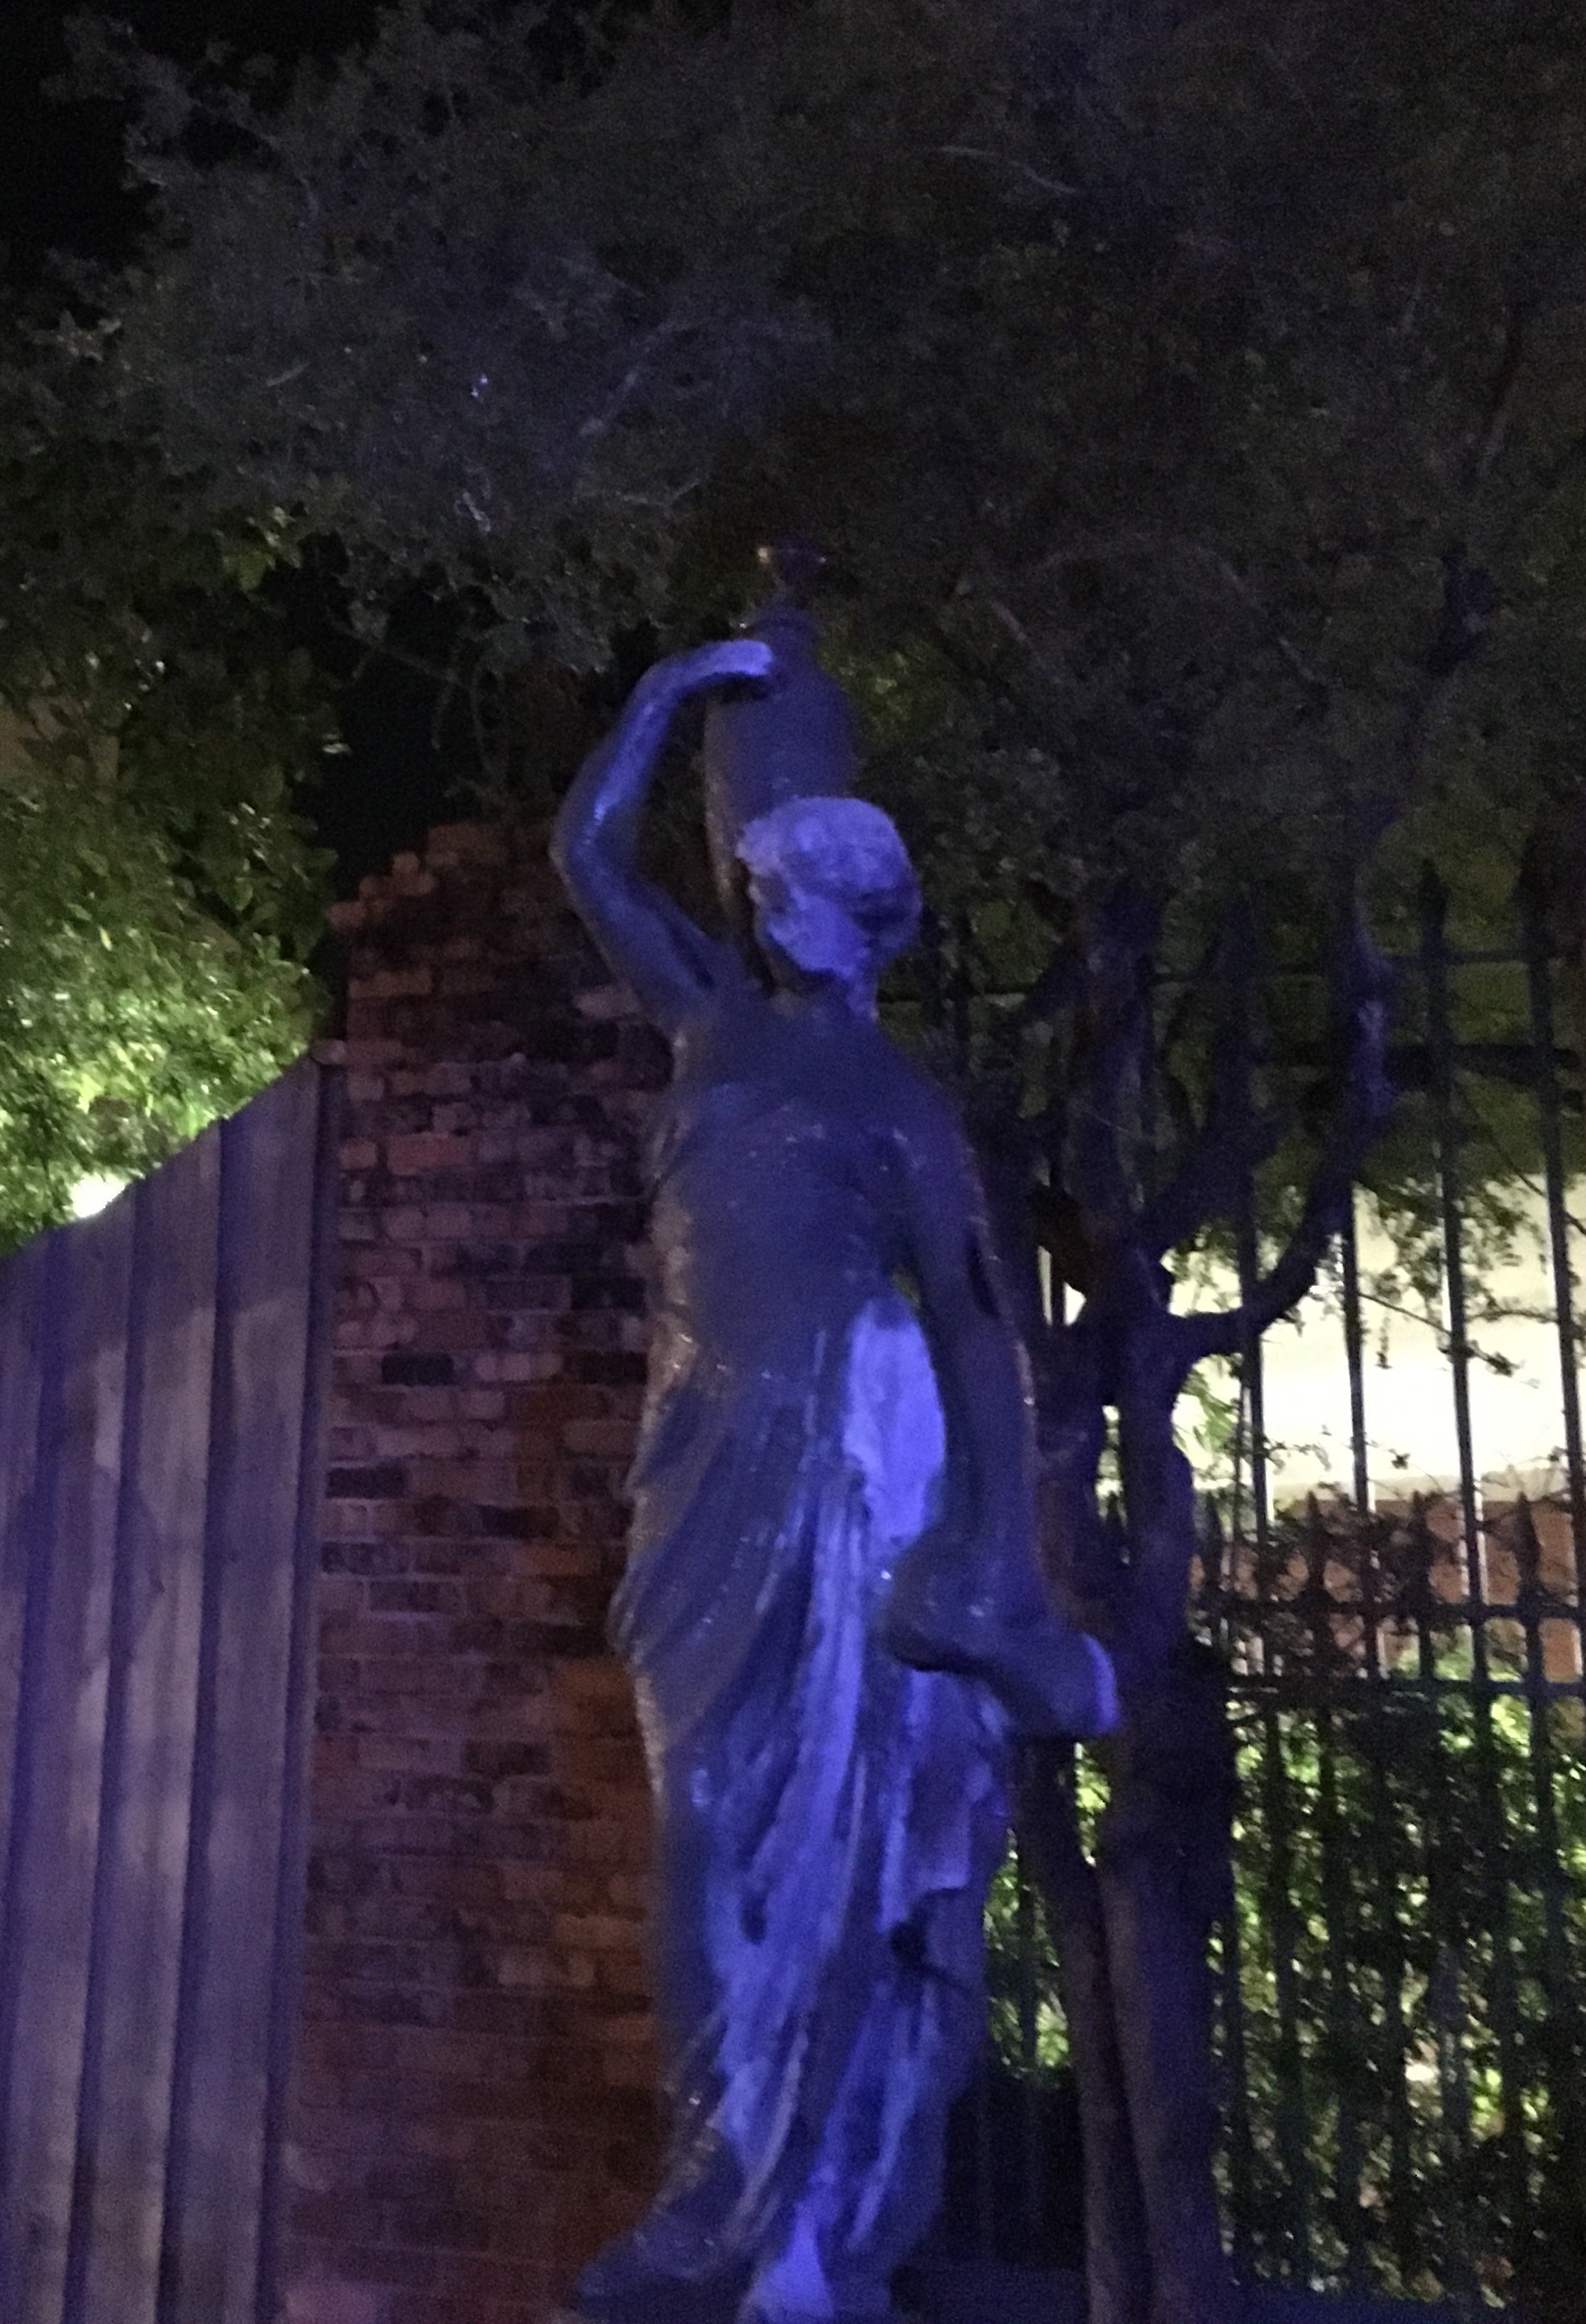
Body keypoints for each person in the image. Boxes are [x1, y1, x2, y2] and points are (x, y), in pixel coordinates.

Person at [549, 610, 1113, 2324]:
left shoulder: (899, 1106)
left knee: (801, 1841)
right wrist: (668, 694)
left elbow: (978, 1327)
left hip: (835, 1473)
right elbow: (588, 857)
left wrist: (986, 1551)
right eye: (766, 880)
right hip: (698, 1461)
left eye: (796, 886)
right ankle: (713, 2198)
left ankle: (767, 2220)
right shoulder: (711, 1025)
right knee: (704, 1829)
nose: (764, 901)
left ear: (862, 916)